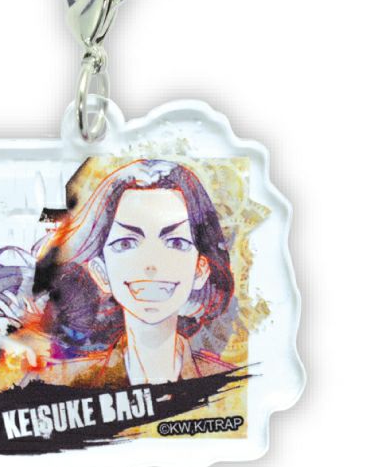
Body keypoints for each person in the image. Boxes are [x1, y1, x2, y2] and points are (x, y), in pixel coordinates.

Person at [29, 159, 236, 387]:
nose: (151, 265)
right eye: (126, 243)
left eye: (176, 242)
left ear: (200, 269)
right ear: (101, 272)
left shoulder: (232, 387)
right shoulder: (60, 385)